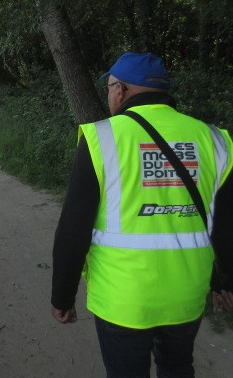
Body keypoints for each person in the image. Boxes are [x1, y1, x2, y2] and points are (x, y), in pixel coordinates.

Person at [50, 52, 233, 377]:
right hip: (186, 295)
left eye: (109, 87)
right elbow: (225, 224)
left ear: (120, 90)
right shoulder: (215, 140)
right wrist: (224, 281)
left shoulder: (101, 138)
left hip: (122, 300)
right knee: (177, 367)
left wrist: (62, 296)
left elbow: (73, 229)